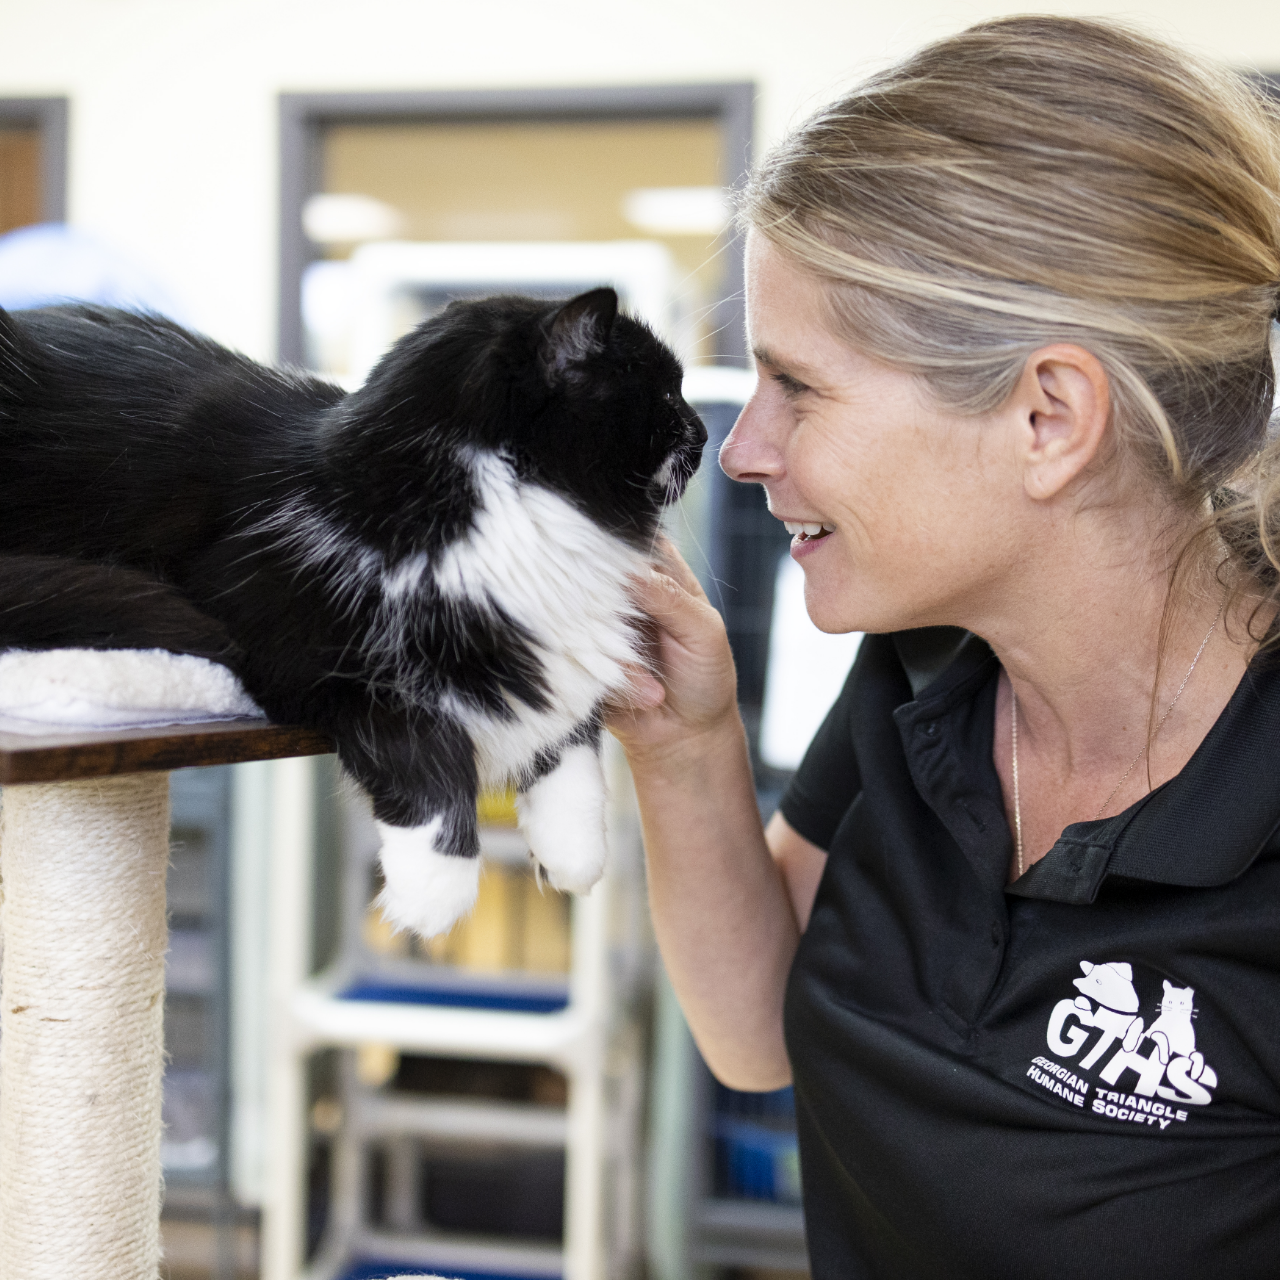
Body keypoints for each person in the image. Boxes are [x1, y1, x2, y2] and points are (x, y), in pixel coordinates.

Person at [606, 15, 1280, 1279]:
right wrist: (679, 737)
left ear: (1046, 416)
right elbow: (757, 1038)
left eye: (795, 385)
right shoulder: (923, 671)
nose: (743, 448)